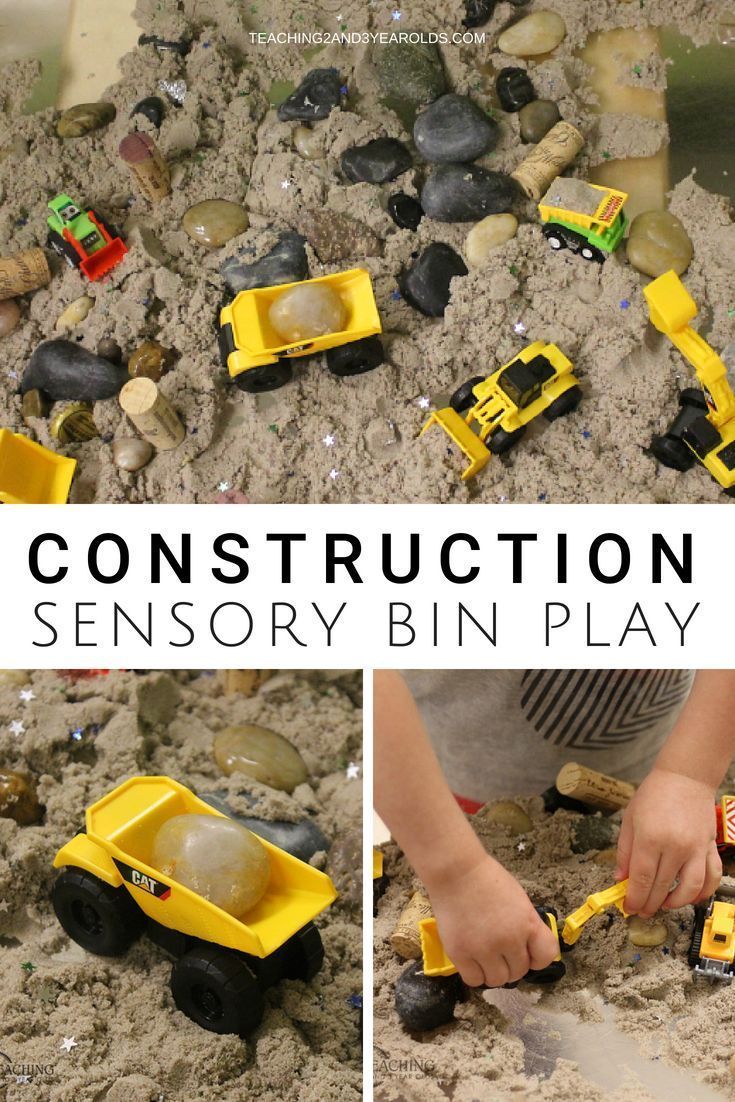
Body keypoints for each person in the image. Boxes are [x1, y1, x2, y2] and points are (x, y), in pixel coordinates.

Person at [374, 669, 735, 988]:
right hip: (452, 776)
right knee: (491, 818)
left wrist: (689, 774)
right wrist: (456, 874)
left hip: (656, 745)